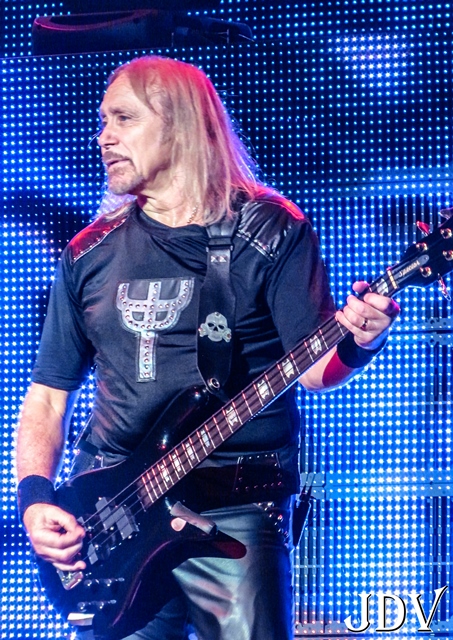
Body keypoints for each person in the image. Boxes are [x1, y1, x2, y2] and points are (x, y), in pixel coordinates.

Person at [16, 55, 399, 640]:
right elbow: (47, 396)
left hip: (234, 506)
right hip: (112, 513)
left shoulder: (270, 229)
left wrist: (362, 340)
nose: (104, 137)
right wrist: (35, 498)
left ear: (180, 124)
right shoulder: (89, 251)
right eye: (102, 121)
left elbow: (315, 367)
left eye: (123, 118)